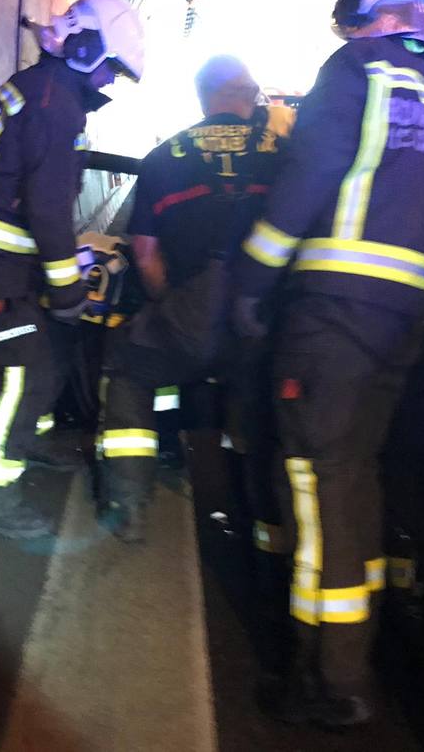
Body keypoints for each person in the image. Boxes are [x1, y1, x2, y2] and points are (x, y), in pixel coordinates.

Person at [231, 0, 424, 729]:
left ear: (375, 13)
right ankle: (356, 643)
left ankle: (333, 678)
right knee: (356, 476)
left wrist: (252, 281)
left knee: (316, 480)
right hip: (402, 325)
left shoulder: (355, 69)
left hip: (332, 314)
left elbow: (306, 183)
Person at [0, 0, 144, 539]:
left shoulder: (39, 89)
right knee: (24, 367)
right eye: (110, 70)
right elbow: (49, 208)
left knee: (49, 347)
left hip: (2, 244)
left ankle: (30, 439)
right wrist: (71, 290)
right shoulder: (59, 106)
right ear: (84, 47)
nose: (108, 84)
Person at [96, 55, 293, 542]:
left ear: (202, 97)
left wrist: (170, 306)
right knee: (263, 406)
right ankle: (265, 528)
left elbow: (144, 254)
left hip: (190, 314)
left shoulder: (166, 156)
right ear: (252, 95)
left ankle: (130, 505)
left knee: (130, 368)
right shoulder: (286, 155)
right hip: (265, 318)